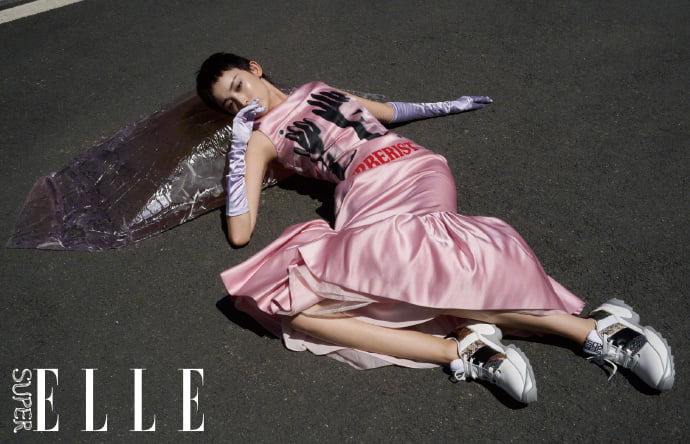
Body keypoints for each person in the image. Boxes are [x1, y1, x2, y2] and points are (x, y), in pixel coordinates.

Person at [196, 52, 675, 403]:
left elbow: (388, 113)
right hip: (361, 196)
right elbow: (240, 231)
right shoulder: (260, 139)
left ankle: (592, 330)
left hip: (411, 168)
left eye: (239, 85)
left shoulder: (319, 88)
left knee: (419, 253)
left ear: (255, 68)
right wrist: (239, 149)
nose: (242, 101)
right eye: (229, 104)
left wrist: (449, 104)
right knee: (295, 308)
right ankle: (462, 350)